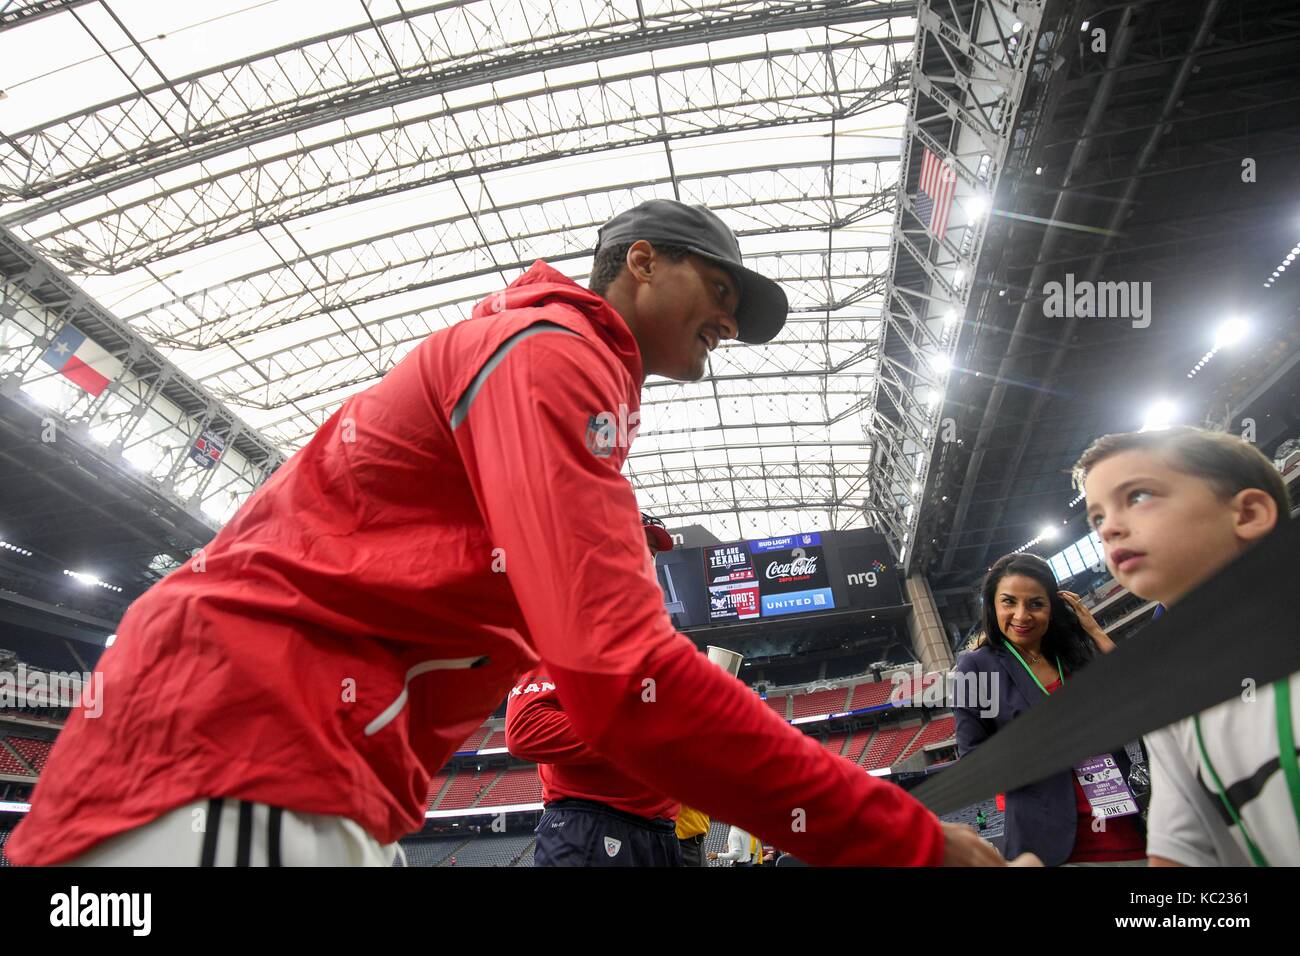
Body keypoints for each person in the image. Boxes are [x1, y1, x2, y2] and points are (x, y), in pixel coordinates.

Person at [7, 199, 1012, 868]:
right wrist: (906, 838)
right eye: (721, 289)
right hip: (241, 737)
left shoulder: (554, 375)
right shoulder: (550, 346)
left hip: (282, 747)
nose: (733, 321)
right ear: (640, 262)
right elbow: (621, 675)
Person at [1074, 426, 1296, 866]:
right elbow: (1179, 853)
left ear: (1248, 513)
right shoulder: (1168, 697)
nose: (1110, 529)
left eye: (1137, 496)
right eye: (1097, 519)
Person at [505, 514, 681, 867]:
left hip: (659, 835)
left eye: (651, 553)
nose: (646, 561)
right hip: (591, 827)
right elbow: (525, 730)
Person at [954, 553, 1147, 866]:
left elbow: (1138, 698)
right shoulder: (978, 667)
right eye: (1008, 602)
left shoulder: (1074, 651)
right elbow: (974, 758)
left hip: (1124, 829)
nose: (1021, 615)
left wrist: (1095, 633)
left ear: (1051, 607)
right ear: (992, 605)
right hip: (1048, 848)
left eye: (1035, 604)